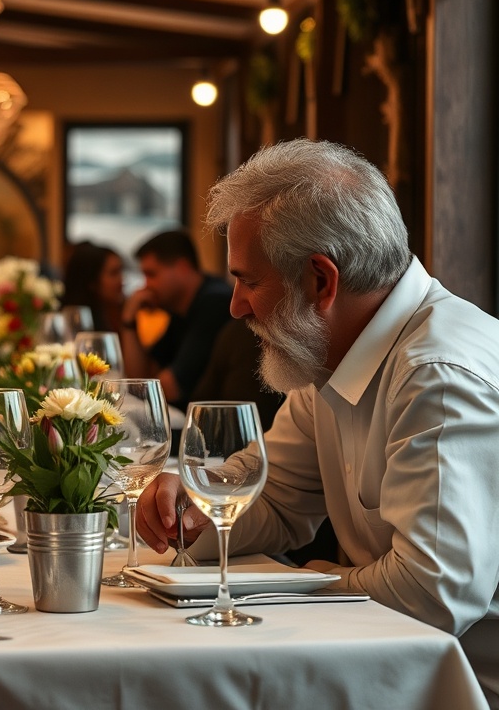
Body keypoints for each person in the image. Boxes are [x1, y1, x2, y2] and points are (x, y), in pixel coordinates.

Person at [136, 138, 499, 706]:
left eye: (248, 280)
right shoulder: (331, 358)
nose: (234, 306)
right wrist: (194, 509)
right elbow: (276, 497)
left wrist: (305, 580)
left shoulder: (439, 376)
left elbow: (433, 596)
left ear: (320, 281)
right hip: (372, 664)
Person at [120, 229, 233, 406]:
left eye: (151, 274)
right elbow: (139, 378)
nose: (146, 285)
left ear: (182, 267)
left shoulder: (214, 303)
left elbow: (170, 389)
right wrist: (129, 321)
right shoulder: (178, 308)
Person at [61, 241, 125, 334]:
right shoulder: (76, 321)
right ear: (92, 281)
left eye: (121, 271)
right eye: (114, 273)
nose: (121, 280)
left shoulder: (120, 313)